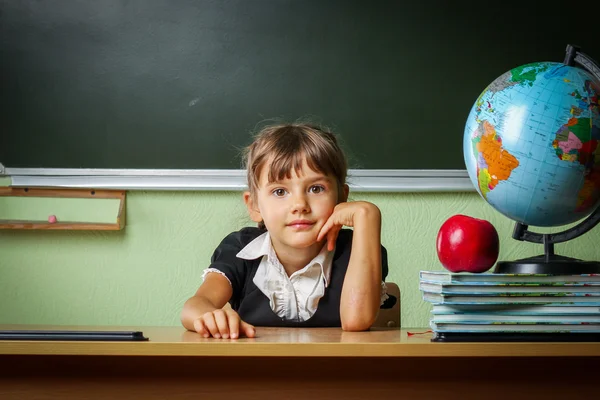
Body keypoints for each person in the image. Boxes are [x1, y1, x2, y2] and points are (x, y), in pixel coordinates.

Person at [181, 122, 388, 339]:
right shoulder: (240, 249)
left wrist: (367, 215)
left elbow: (356, 321)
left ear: (341, 197)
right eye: (280, 191)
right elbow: (194, 307)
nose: (300, 204)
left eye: (316, 189)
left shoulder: (359, 248)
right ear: (254, 205)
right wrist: (209, 316)